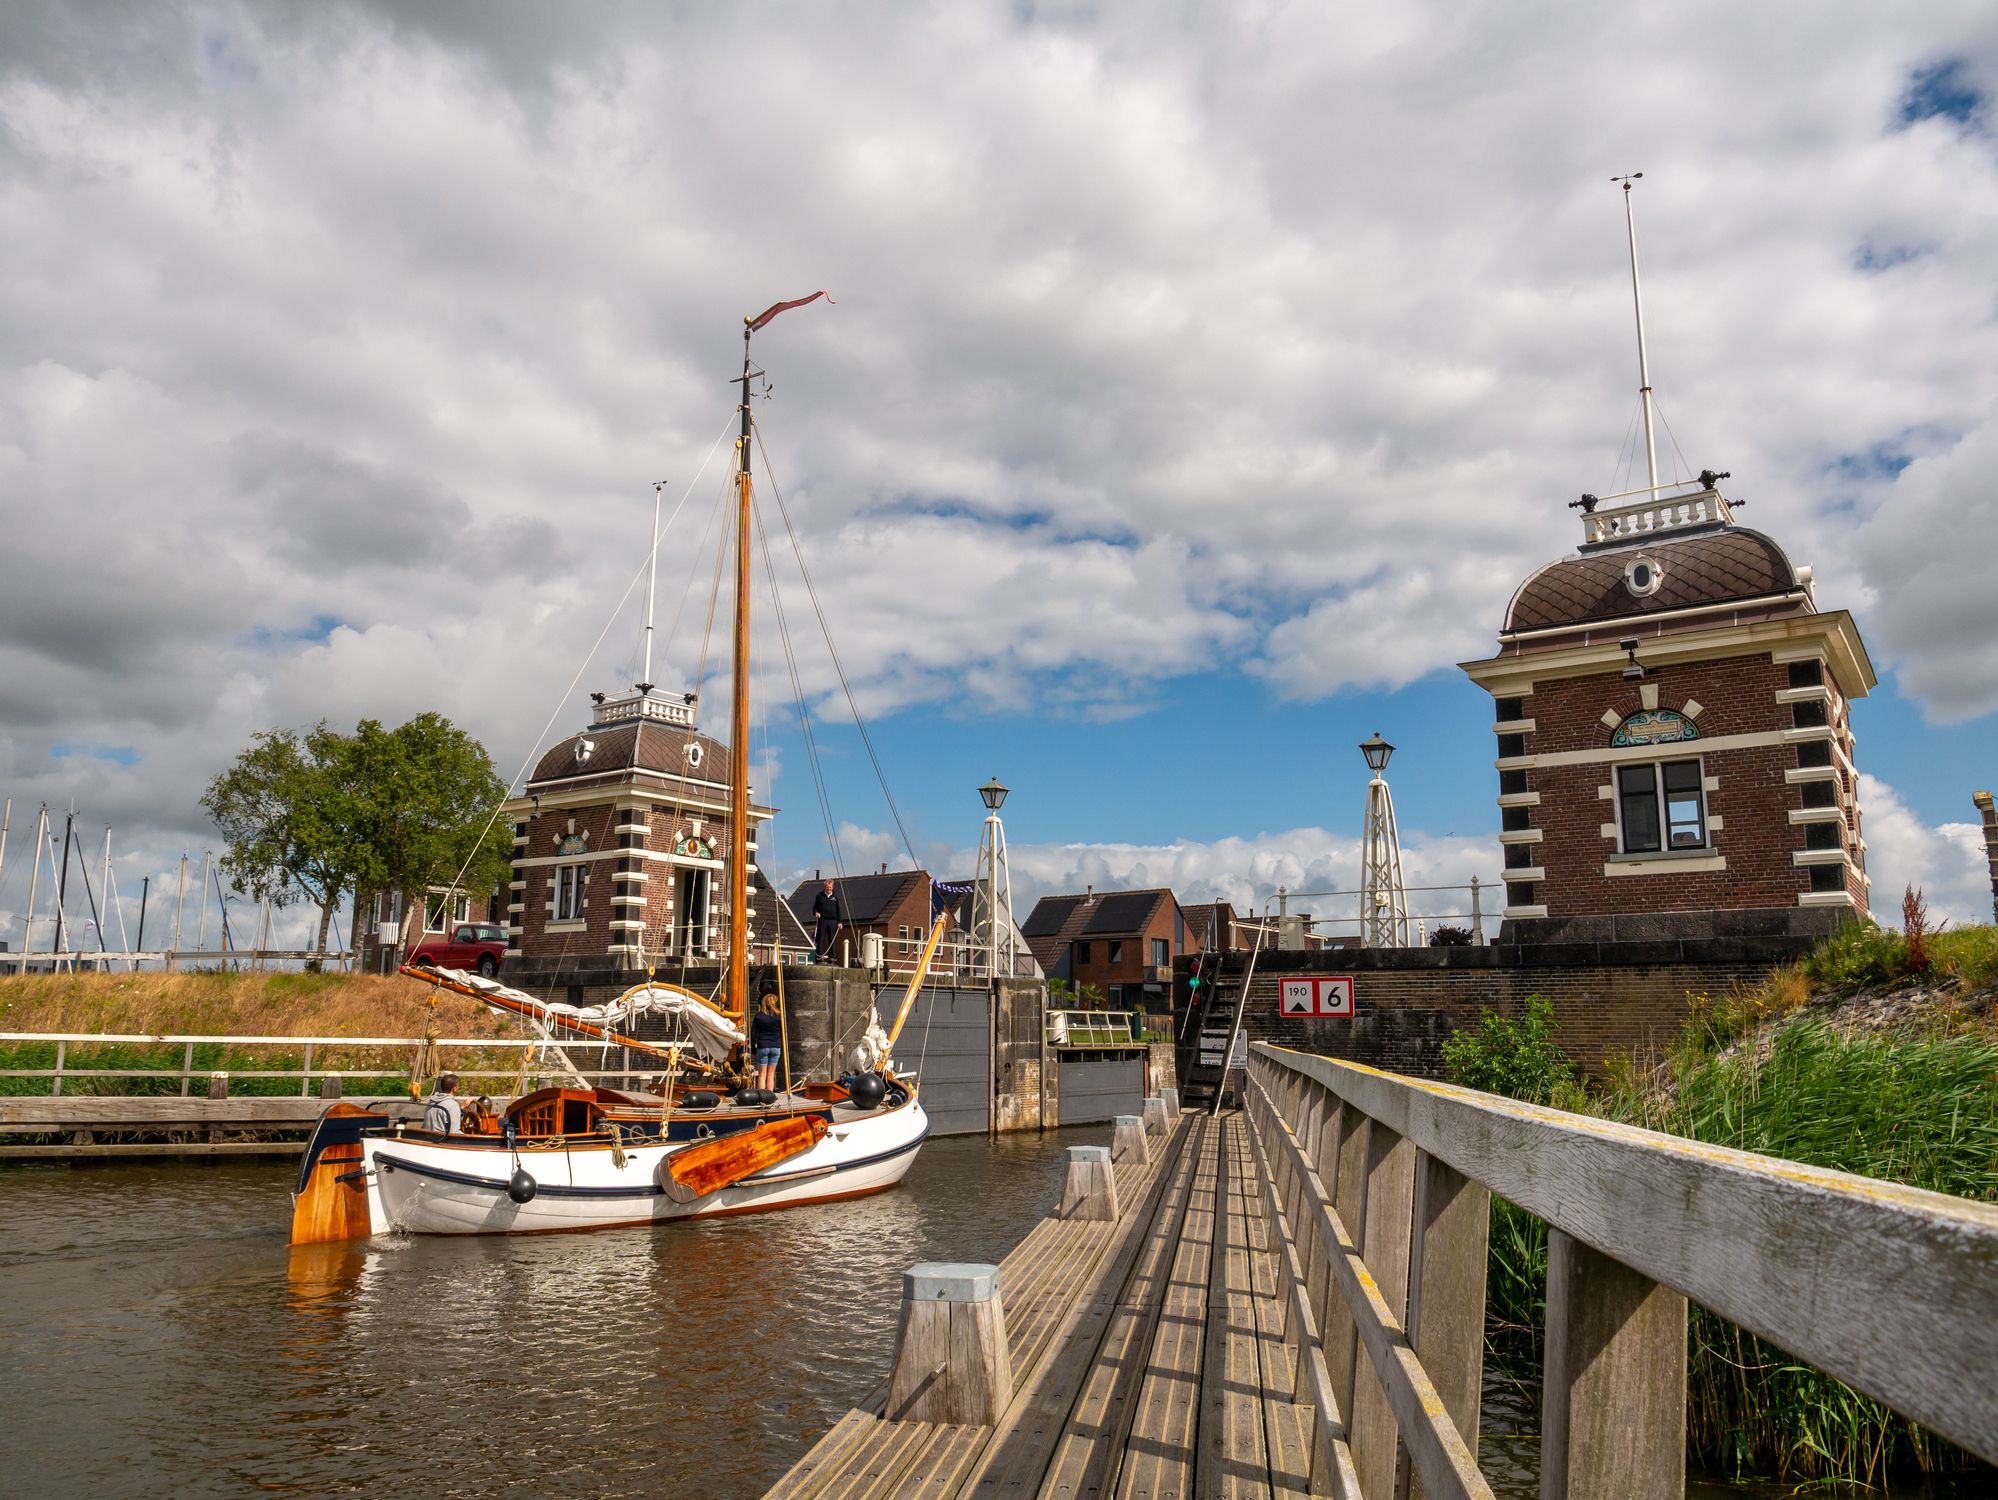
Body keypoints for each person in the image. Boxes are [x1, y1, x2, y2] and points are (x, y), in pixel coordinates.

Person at [750, 990, 784, 1094]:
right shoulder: (779, 1016)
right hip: (775, 1046)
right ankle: (770, 1097)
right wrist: (780, 1046)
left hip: (763, 1046)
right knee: (771, 1074)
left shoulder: (759, 1016)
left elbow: (753, 1033)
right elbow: (782, 1033)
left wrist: (753, 1048)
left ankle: (761, 1097)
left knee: (762, 1074)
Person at [810, 877, 843, 963]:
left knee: (832, 939)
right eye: (827, 887)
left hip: (832, 921)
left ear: (832, 887)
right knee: (820, 938)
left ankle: (832, 957)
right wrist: (816, 913)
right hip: (822, 921)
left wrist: (840, 922)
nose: (829, 888)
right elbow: (814, 908)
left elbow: (838, 910)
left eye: (830, 887)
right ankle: (819, 956)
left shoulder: (835, 897)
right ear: (824, 887)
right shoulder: (819, 896)